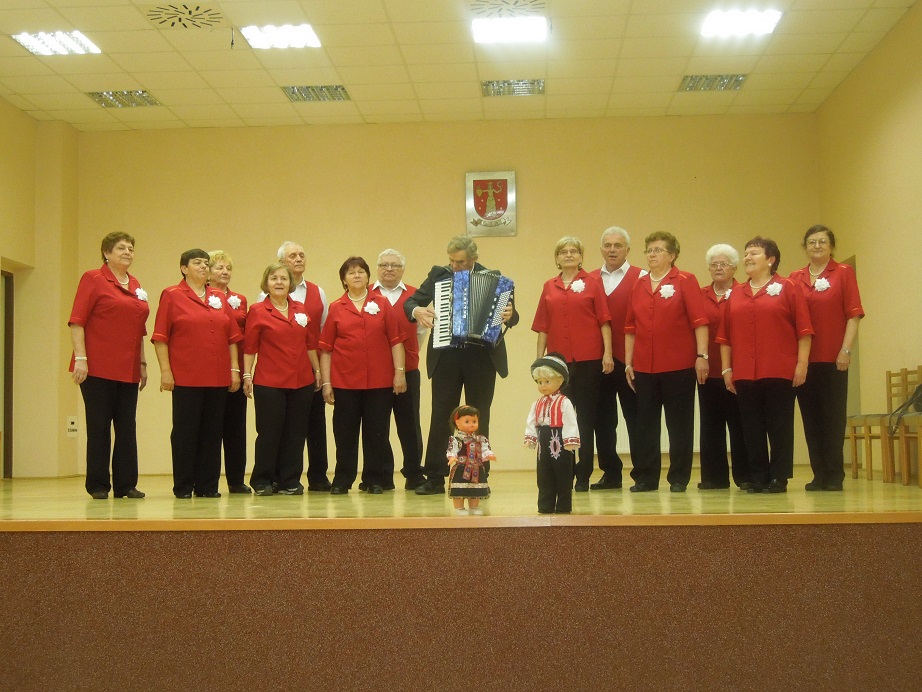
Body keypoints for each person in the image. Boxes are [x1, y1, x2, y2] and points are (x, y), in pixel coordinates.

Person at [405, 235, 518, 495]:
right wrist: (417, 311)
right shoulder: (439, 275)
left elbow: (512, 317)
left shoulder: (496, 279)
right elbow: (410, 302)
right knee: (441, 415)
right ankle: (435, 476)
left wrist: (510, 316)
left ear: (474, 259)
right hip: (447, 355)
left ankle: (479, 476)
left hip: (482, 356)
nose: (454, 267)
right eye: (452, 261)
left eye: (460, 262)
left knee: (479, 416)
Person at [718, 237, 813, 493]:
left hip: (779, 369)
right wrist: (727, 369)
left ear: (771, 259)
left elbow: (804, 330)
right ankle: (758, 476)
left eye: (754, 253)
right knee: (751, 428)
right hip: (745, 372)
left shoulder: (788, 287)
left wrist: (802, 364)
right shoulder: (736, 293)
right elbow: (725, 338)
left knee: (779, 426)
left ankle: (779, 477)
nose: (748, 257)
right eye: (746, 253)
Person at [152, 248, 242, 498]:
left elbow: (232, 338)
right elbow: (160, 337)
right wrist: (166, 371)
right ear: (184, 268)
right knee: (185, 432)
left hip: (217, 376)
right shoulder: (172, 295)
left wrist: (234, 369)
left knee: (212, 432)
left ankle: (208, 486)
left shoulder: (218, 296)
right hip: (186, 376)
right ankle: (183, 485)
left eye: (205, 263)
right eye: (197, 263)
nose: (203, 267)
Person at [624, 231, 709, 492]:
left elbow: (700, 322)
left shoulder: (685, 280)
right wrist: (628, 363)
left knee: (679, 424)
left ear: (672, 255)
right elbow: (630, 328)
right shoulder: (638, 284)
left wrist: (702, 356)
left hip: (678, 366)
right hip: (644, 366)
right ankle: (647, 478)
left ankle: (679, 478)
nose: (652, 254)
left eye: (658, 250)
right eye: (649, 250)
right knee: (645, 425)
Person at [68, 231, 149, 500]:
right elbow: (77, 321)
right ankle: (98, 484)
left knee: (127, 426)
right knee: (99, 425)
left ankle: (126, 484)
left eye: (131, 248)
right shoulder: (93, 278)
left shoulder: (135, 284)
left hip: (128, 367)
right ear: (106, 252)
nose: (127, 252)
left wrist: (142, 362)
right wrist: (81, 358)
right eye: (121, 248)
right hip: (98, 366)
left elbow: (139, 329)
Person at [319, 257, 407, 495]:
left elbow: (396, 341)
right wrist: (326, 383)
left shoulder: (382, 303)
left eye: (361, 271)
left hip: (379, 381)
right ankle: (342, 479)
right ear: (344, 280)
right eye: (351, 272)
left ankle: (373, 479)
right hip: (345, 382)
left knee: (377, 432)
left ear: (368, 277)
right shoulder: (336, 307)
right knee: (345, 433)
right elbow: (326, 349)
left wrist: (399, 373)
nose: (357, 275)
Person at [531, 236, 612, 492]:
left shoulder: (593, 283)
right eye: (563, 251)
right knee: (560, 419)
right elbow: (542, 327)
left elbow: (604, 321)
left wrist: (608, 354)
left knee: (585, 419)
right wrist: (540, 361)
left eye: (574, 251)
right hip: (559, 365)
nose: (568, 255)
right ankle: (563, 471)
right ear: (557, 258)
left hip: (589, 360)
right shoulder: (549, 286)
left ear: (580, 257)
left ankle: (584, 474)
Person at [790, 225, 864, 491]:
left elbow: (853, 315)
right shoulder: (795, 277)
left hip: (833, 358)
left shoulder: (843, 272)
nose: (817, 246)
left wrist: (846, 350)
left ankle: (834, 475)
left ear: (831, 246)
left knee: (833, 418)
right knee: (811, 419)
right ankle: (819, 474)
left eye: (822, 241)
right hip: (803, 361)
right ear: (805, 247)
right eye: (812, 242)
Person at [259, 241, 331, 492]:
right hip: (276, 373)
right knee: (279, 427)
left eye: (302, 255)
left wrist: (320, 370)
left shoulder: (318, 292)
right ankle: (277, 477)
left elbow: (322, 332)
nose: (299, 259)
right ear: (280, 262)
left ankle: (317, 477)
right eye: (292, 256)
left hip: (309, 369)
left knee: (312, 426)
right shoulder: (264, 298)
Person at [243, 263, 320, 496]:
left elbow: (310, 344)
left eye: (283, 279)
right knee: (269, 433)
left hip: (301, 380)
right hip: (270, 382)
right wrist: (247, 375)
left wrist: (317, 372)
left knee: (296, 433)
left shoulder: (300, 309)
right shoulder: (258, 310)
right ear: (266, 283)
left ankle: (289, 479)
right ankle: (262, 479)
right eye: (274, 278)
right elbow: (250, 347)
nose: (279, 282)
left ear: (290, 283)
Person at [589, 227, 646, 490]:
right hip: (598, 361)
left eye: (618, 245)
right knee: (603, 421)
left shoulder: (642, 277)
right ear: (601, 249)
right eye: (608, 245)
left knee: (636, 419)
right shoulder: (589, 279)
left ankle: (642, 473)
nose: (612, 250)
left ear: (627, 250)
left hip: (630, 361)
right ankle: (610, 473)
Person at [370, 248, 427, 491]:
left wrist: (405, 361)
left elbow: (421, 332)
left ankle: (414, 474)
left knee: (410, 425)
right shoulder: (366, 295)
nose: (389, 269)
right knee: (378, 426)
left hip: (409, 370)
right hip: (376, 374)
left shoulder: (415, 296)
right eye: (384, 265)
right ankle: (384, 475)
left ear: (403, 269)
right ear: (377, 268)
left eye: (394, 265)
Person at [697, 244, 750, 490]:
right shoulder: (700, 294)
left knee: (740, 424)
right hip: (708, 369)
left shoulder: (745, 292)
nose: (719, 268)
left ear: (735, 268)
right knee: (710, 425)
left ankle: (745, 476)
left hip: (738, 369)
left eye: (724, 264)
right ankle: (714, 478)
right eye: (714, 264)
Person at [208, 250, 251, 494]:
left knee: (236, 428)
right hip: (210, 371)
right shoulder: (200, 298)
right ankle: (208, 481)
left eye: (228, 268)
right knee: (211, 428)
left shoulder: (240, 300)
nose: (225, 272)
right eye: (219, 267)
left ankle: (236, 480)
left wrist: (244, 372)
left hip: (237, 370)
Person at [525, 355, 580, 514]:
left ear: (560, 380)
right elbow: (531, 421)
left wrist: (570, 439)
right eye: (540, 382)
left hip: (561, 439)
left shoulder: (564, 402)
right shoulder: (537, 403)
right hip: (543, 438)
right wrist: (531, 437)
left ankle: (563, 505)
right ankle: (545, 505)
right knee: (544, 473)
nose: (543, 386)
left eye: (547, 382)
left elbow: (570, 421)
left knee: (563, 473)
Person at [447, 405, 496, 516]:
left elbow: (485, 449)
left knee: (475, 489)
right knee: (459, 489)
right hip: (461, 467)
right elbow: (452, 449)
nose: (471, 424)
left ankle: (474, 507)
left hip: (476, 468)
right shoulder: (456, 439)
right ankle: (459, 508)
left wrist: (489, 455)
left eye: (474, 421)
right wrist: (452, 457)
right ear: (457, 423)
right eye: (467, 421)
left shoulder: (481, 439)